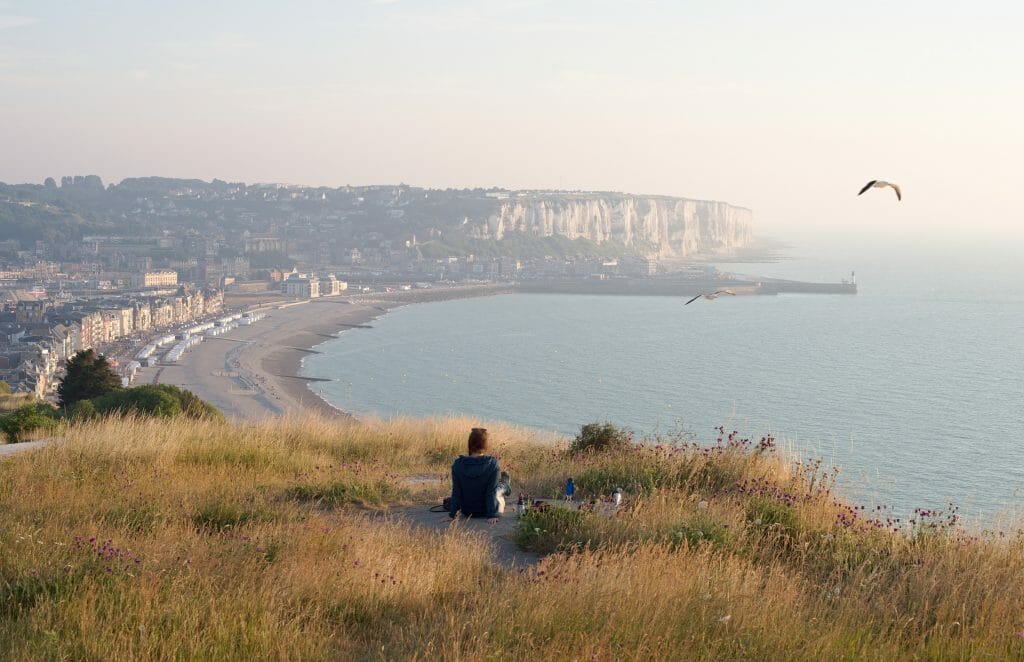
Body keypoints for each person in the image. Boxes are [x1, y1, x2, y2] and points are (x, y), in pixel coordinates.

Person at [448, 427, 503, 522]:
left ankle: (504, 483)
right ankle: (505, 484)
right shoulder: (493, 464)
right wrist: (492, 515)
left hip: (466, 511)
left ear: (469, 444)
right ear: (485, 445)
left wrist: (452, 515)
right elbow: (491, 493)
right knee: (500, 489)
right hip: (485, 511)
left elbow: (456, 492)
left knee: (497, 486)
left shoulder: (457, 464)